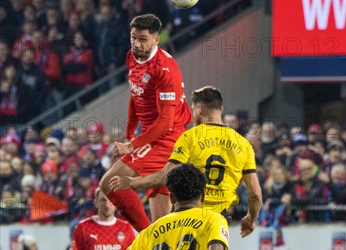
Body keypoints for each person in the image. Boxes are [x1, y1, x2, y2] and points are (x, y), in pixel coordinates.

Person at [110, 86, 262, 238]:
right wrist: (251, 218)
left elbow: (165, 176)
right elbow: (255, 194)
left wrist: (131, 182)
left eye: (193, 109)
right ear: (221, 109)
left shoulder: (190, 137)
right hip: (219, 219)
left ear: (200, 109)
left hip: (188, 215)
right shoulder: (244, 145)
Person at [99, 13, 191, 228]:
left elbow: (166, 122)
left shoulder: (164, 70)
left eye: (143, 39)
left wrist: (132, 145)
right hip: (151, 135)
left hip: (168, 138)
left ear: (156, 39)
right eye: (133, 38)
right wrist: (129, 135)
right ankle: (158, 245)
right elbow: (136, 95)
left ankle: (148, 239)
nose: (136, 44)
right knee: (162, 223)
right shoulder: (132, 57)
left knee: (109, 184)